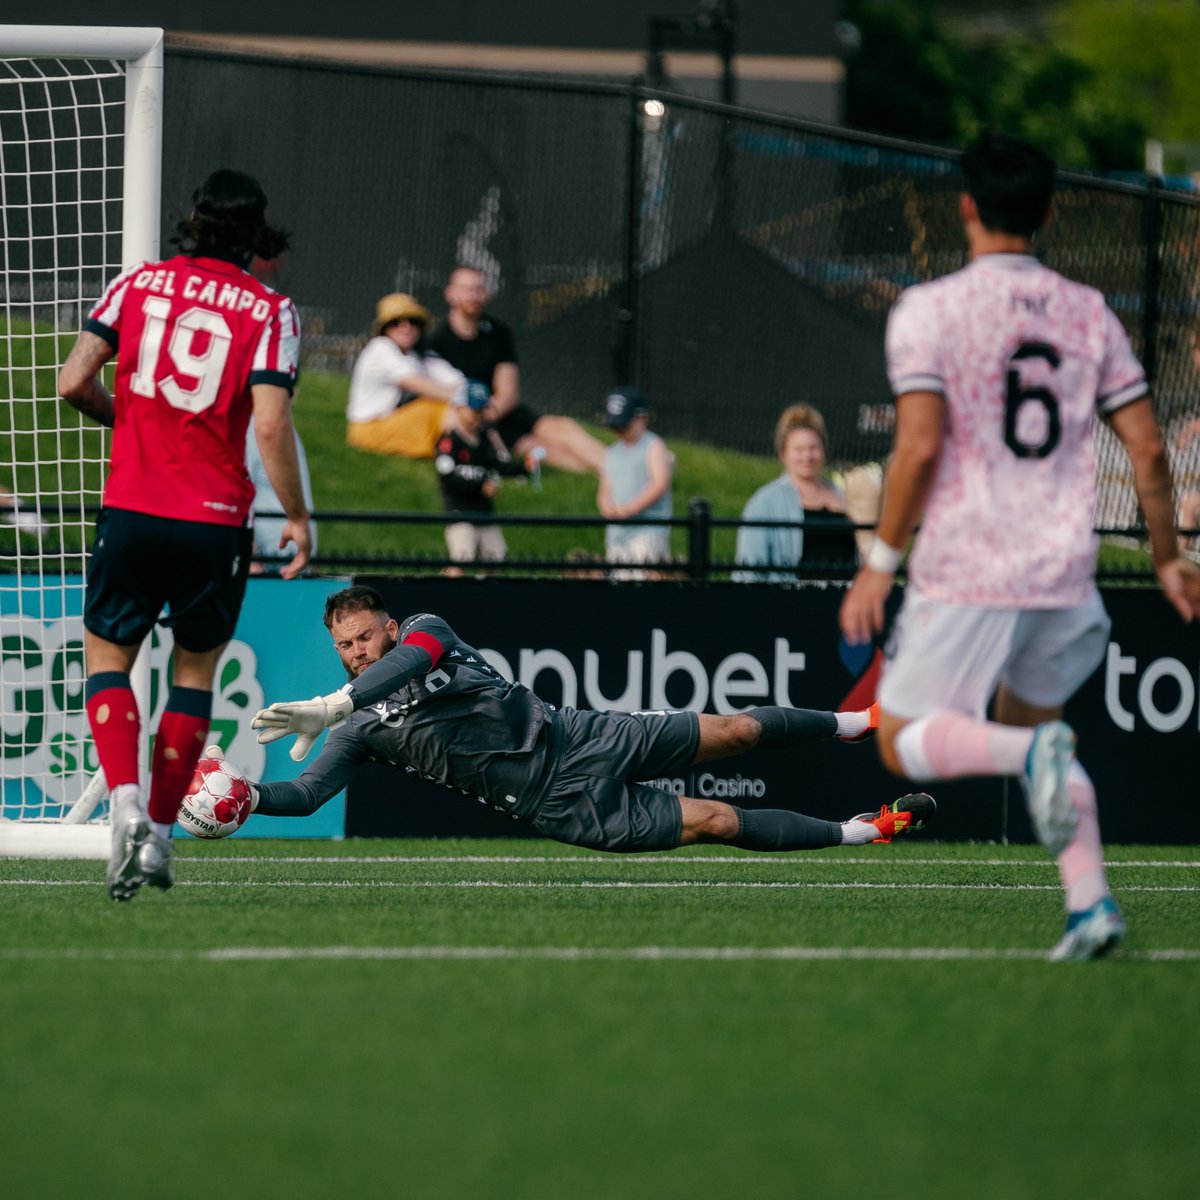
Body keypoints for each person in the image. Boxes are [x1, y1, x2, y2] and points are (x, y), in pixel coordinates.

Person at [839, 131, 1200, 960]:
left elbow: (921, 448)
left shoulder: (929, 309)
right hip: (1067, 576)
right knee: (1030, 728)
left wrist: (879, 562)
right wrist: (1168, 557)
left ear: (965, 206)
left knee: (902, 736)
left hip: (970, 567)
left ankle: (1041, 768)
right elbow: (1147, 449)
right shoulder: (1087, 311)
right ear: (1048, 212)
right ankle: (1091, 906)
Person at [56, 168, 313, 902]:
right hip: (213, 520)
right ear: (258, 236)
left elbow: (72, 381)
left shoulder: (135, 284)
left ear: (193, 220)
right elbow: (269, 422)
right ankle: (163, 834)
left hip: (133, 508)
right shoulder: (271, 310)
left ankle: (127, 802)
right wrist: (295, 516)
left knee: (109, 658)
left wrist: (132, 423)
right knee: (193, 676)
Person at [245, 585, 932, 855]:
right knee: (717, 821)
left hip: (582, 732)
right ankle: (865, 831)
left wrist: (337, 700)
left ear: (388, 627)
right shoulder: (361, 726)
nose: (357, 652)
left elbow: (407, 665)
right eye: (345, 646)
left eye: (365, 637)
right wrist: (250, 797)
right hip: (561, 805)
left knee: (741, 730)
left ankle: (861, 720)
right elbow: (306, 796)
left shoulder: (426, 631)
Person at [426, 265, 606, 473]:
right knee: (548, 449)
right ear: (450, 294)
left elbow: (509, 393)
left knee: (563, 427)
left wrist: (489, 412)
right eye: (466, 289)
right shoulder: (435, 341)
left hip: (503, 412)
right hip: (473, 424)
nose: (473, 295)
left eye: (478, 289)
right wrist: (474, 418)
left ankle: (617, 469)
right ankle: (597, 478)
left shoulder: (498, 333)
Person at [734, 405, 858, 582]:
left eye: (813, 447)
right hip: (792, 603)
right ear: (783, 453)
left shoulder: (844, 496)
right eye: (798, 449)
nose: (807, 456)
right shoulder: (764, 502)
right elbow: (747, 573)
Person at [345, 293, 468, 459]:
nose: (406, 327)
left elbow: (459, 382)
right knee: (436, 408)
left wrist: (470, 400)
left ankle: (476, 457)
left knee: (453, 408)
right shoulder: (381, 348)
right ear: (385, 329)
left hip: (395, 423)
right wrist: (464, 398)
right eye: (395, 322)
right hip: (370, 429)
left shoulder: (417, 356)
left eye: (413, 321)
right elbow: (413, 383)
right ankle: (463, 457)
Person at [434, 381, 532, 570]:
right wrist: (481, 485)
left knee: (496, 557)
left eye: (482, 410)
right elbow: (448, 478)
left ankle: (487, 596)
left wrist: (524, 468)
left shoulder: (485, 439)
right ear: (459, 407)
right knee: (462, 557)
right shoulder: (449, 442)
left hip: (484, 512)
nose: (478, 415)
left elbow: (501, 465)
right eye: (474, 409)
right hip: (460, 511)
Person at [596, 386, 673, 577]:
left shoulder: (653, 445)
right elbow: (606, 487)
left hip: (647, 528)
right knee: (618, 576)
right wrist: (605, 505)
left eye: (624, 425)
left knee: (642, 576)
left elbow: (659, 483)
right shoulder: (612, 453)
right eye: (615, 426)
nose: (620, 431)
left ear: (643, 419)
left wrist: (631, 508)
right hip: (617, 532)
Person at [246, 414, 318, 574]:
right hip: (269, 566)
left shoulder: (280, 426)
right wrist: (251, 562)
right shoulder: (253, 426)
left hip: (292, 564)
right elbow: (241, 494)